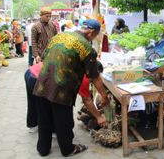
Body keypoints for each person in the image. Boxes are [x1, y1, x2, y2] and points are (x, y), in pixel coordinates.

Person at [33, 19, 109, 157]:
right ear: (91, 32)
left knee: (44, 119)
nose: (95, 38)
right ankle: (68, 149)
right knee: (64, 122)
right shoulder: (87, 48)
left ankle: (43, 149)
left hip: (42, 84)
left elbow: (44, 57)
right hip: (61, 89)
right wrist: (104, 96)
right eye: (96, 35)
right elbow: (95, 77)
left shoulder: (59, 36)